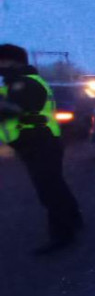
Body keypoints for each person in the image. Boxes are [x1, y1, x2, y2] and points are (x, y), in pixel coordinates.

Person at [0, 44, 83, 253]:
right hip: (37, 141)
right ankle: (73, 219)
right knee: (55, 184)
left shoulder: (24, 83)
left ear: (12, 61)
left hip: (38, 141)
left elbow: (14, 110)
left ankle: (62, 235)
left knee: (48, 190)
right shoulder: (19, 82)